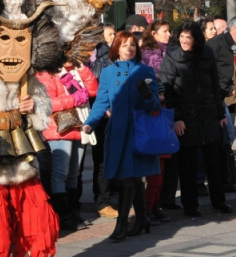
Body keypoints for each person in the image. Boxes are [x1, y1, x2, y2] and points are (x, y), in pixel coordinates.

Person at [82, 31, 162, 242]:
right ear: (116, 48)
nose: (129, 48)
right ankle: (142, 218)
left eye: (132, 45)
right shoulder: (108, 73)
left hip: (139, 131)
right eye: (124, 45)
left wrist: (146, 94)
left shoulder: (145, 70)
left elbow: (154, 105)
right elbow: (101, 102)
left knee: (131, 177)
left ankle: (122, 223)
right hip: (118, 131)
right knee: (129, 177)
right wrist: (90, 123)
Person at [158, 22, 232, 217]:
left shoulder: (207, 53)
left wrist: (220, 114)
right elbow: (167, 89)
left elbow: (214, 87)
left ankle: (219, 201)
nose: (184, 40)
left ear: (196, 39)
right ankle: (190, 205)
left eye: (188, 37)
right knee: (188, 165)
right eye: (181, 36)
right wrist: (177, 117)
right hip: (185, 117)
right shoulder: (172, 56)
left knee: (214, 163)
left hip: (208, 114)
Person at [36, 61, 97, 231]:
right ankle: (63, 215)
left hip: (78, 128)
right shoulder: (46, 72)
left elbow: (93, 90)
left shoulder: (76, 71)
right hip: (58, 130)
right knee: (60, 174)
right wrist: (73, 99)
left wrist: (82, 69)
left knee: (74, 174)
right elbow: (47, 103)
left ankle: (72, 211)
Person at [205, 17, 236, 192]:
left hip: (221, 95)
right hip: (213, 98)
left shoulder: (229, 45)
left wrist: (229, 84)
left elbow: (224, 70)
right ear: (232, 30)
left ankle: (224, 179)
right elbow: (208, 71)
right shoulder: (215, 45)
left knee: (226, 139)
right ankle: (214, 181)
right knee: (224, 138)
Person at [139, 19, 172, 225]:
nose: (169, 34)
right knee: (154, 169)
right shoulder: (151, 56)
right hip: (153, 115)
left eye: (169, 31)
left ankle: (154, 205)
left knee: (161, 168)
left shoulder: (169, 51)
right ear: (154, 33)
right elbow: (159, 81)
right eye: (165, 31)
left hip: (164, 113)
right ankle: (148, 208)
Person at [90, 23, 117, 219]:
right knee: (99, 159)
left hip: (102, 113)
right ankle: (100, 199)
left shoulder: (106, 55)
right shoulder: (91, 58)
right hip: (90, 113)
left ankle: (103, 200)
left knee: (103, 158)